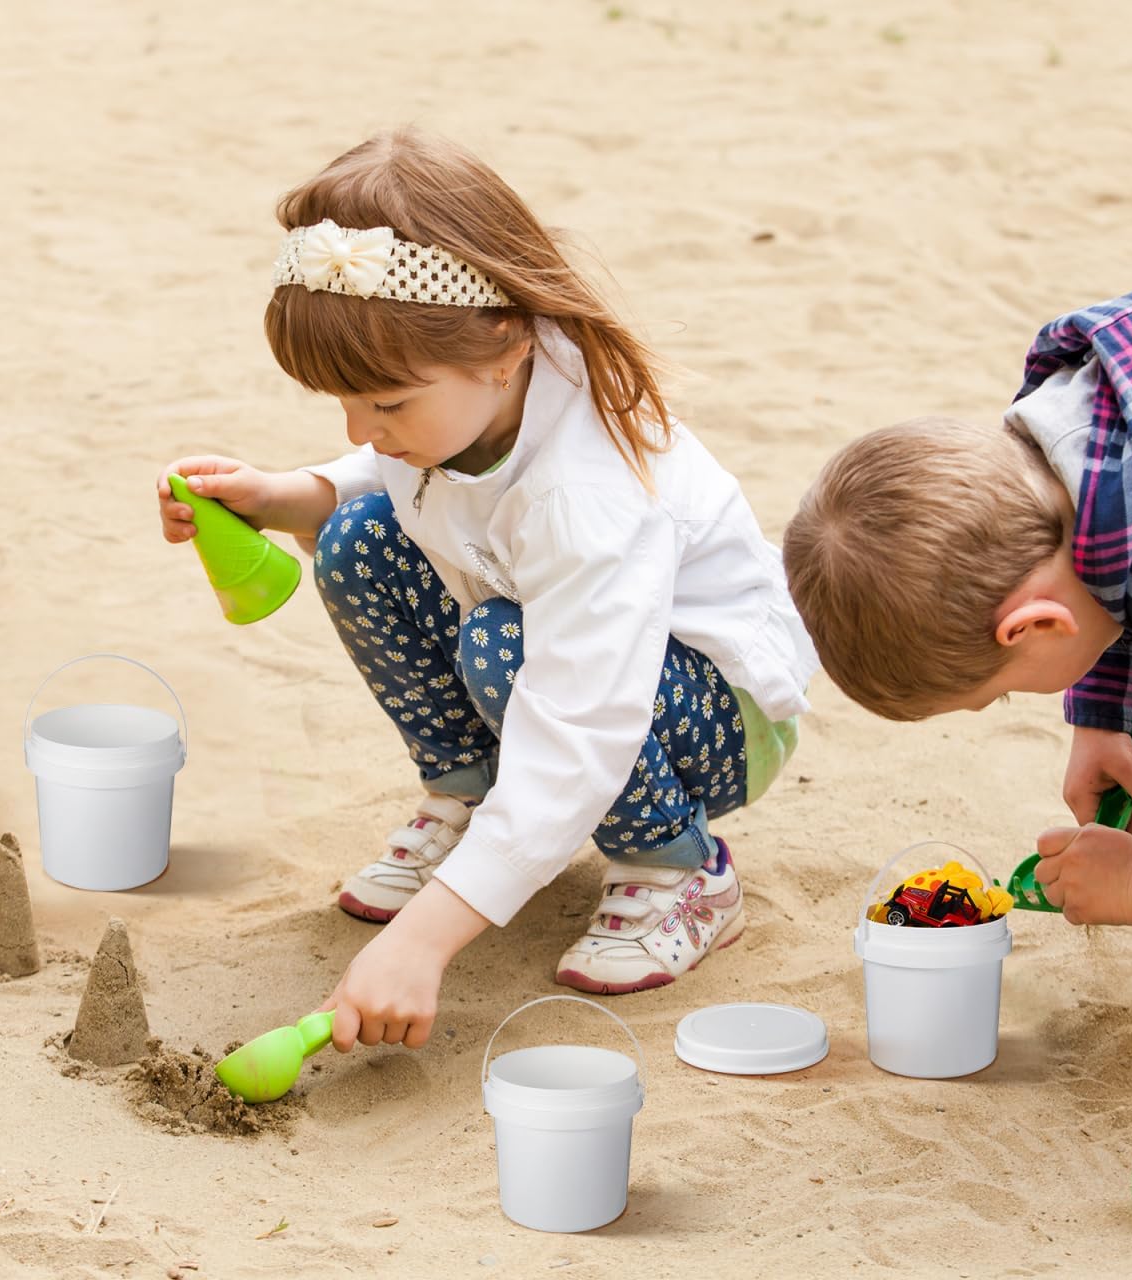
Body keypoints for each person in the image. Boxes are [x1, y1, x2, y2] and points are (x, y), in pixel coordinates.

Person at [156, 127, 816, 1056]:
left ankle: (682, 870)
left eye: (386, 403)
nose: (365, 429)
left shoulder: (588, 494)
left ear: (503, 348)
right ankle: (473, 804)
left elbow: (582, 723)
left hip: (713, 721)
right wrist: (289, 496)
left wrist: (424, 941)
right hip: (566, 664)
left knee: (502, 645)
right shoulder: (468, 400)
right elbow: (416, 487)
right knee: (354, 539)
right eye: (343, 406)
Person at [781, 269, 1132, 1136]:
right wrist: (1102, 707)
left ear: (1030, 627)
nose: (1016, 700)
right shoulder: (1092, 422)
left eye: (1000, 692)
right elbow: (1121, 554)